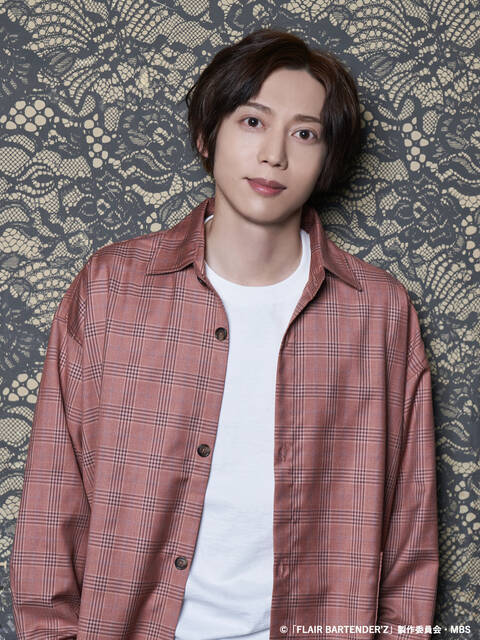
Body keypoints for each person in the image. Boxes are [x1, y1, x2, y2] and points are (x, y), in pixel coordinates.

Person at [10, 28, 439, 640]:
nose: (274, 156)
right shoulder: (112, 287)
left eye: (305, 133)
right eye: (253, 122)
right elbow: (54, 496)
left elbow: (410, 531)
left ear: (327, 158)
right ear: (206, 135)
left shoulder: (378, 312)